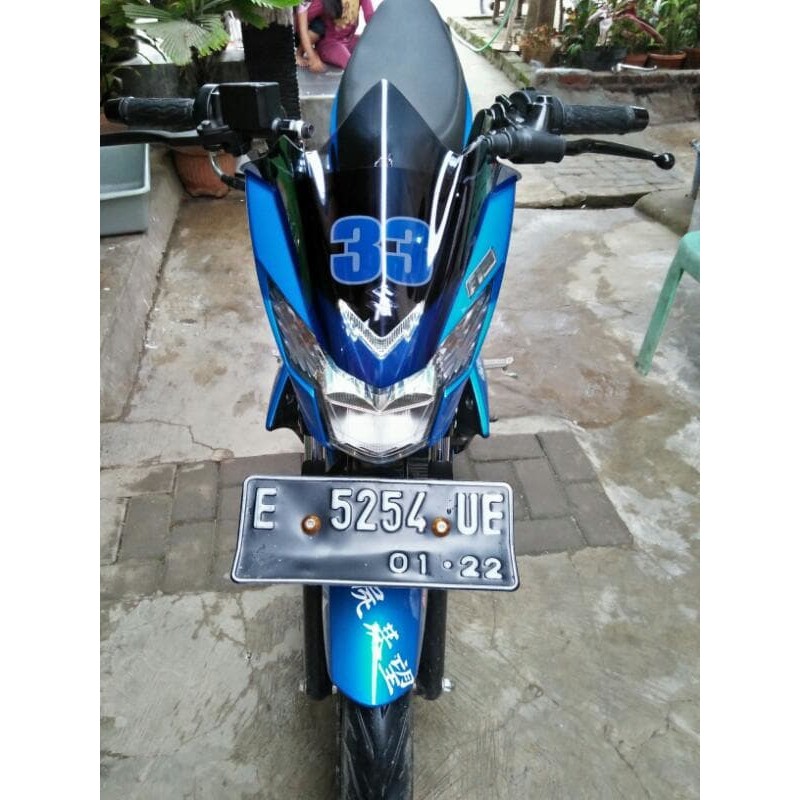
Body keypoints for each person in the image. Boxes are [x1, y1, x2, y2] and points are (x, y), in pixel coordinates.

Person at [300, 0, 375, 72]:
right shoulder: (321, 2)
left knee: (374, 50)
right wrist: (311, 55)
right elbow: (304, 19)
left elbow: (370, 17)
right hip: (329, 44)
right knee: (350, 64)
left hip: (349, 39)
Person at [295, 1, 327, 74]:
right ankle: (298, 54)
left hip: (310, 25)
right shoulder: (305, 1)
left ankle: (301, 52)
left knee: (319, 26)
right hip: (295, 30)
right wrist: (312, 57)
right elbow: (303, 30)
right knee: (318, 28)